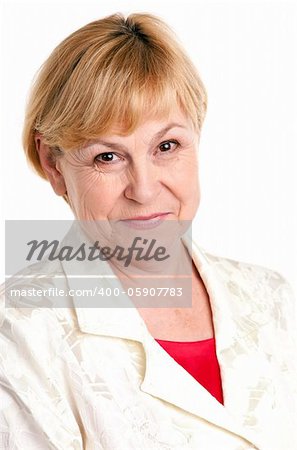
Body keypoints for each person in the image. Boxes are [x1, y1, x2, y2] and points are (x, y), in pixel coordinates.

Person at [1, 12, 296, 450]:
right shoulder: (20, 331)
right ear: (54, 163)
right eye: (107, 157)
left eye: (166, 146)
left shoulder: (273, 298)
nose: (144, 189)